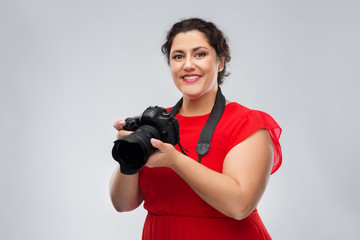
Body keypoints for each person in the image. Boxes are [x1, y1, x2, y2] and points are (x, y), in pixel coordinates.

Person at [109, 18, 282, 240]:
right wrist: (128, 154)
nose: (188, 64)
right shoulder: (155, 125)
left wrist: (175, 160)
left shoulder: (246, 122)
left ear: (220, 61)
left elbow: (240, 205)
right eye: (178, 56)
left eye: (199, 54)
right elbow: (122, 204)